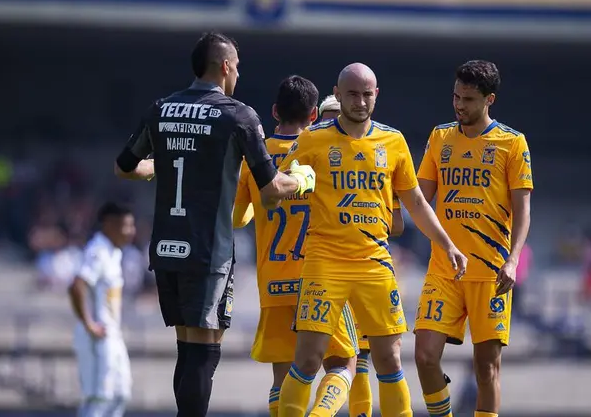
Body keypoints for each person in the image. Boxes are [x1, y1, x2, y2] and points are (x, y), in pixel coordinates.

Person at [113, 32, 316, 417]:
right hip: (208, 250)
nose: (237, 73)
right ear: (224, 66)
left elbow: (123, 167)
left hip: (165, 247)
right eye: (236, 66)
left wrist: (161, 169)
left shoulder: (162, 108)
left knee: (187, 347)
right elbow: (272, 190)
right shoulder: (237, 115)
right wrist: (302, 177)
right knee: (205, 350)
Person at [277, 63, 467, 417]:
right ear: (338, 93)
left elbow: (416, 203)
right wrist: (290, 181)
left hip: (374, 265)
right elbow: (280, 184)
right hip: (324, 264)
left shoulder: (392, 142)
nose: (360, 102)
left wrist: (448, 245)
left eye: (367, 94)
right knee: (307, 358)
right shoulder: (313, 139)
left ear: (376, 95)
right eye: (352, 94)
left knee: (389, 359)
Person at [234, 75, 367, 417]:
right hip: (318, 280)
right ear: (313, 117)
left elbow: (237, 219)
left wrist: (257, 205)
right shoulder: (320, 153)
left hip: (274, 281)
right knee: (343, 364)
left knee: (284, 377)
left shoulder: (255, 160)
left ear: (275, 111)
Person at [413, 60, 533, 417]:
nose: (459, 105)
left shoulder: (512, 143)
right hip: (444, 268)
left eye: (468, 98)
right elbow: (420, 199)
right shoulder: (439, 138)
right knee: (423, 356)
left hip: (490, 274)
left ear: (489, 99)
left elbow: (523, 210)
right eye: (455, 96)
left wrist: (512, 260)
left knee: (486, 368)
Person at [318, 93, 407, 416]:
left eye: (334, 117)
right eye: (325, 119)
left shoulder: (375, 155)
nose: (331, 124)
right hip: (326, 269)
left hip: (368, 266)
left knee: (363, 360)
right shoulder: (314, 157)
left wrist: (365, 214)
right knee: (337, 361)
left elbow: (396, 223)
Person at [68, 202, 137, 417]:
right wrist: (90, 325)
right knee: (99, 398)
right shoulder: (97, 251)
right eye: (126, 226)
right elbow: (76, 286)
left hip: (112, 335)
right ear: (109, 224)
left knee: (120, 395)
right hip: (98, 337)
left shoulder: (113, 252)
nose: (131, 232)